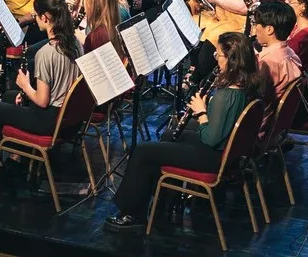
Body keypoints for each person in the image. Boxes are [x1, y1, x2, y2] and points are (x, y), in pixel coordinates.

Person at [104, 31, 261, 228]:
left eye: (219, 55)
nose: (216, 59)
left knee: (143, 151)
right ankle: (166, 201)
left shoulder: (226, 96)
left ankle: (131, 213)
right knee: (169, 134)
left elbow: (211, 138)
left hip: (212, 157)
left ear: (232, 60)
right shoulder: (244, 86)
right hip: (226, 154)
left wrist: (201, 113)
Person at [0, 0, 80, 161]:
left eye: (36, 15)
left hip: (47, 120)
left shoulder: (46, 53)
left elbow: (42, 101)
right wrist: (26, 94)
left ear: (45, 18)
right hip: (68, 118)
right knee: (9, 97)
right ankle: (15, 159)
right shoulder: (75, 42)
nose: (35, 19)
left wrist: (25, 86)